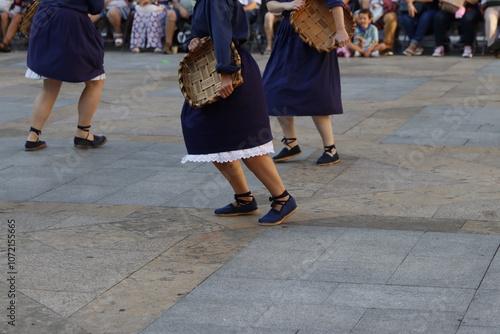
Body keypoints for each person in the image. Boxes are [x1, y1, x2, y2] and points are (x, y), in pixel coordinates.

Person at [180, 0, 297, 226]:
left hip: (231, 71)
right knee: (208, 137)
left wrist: (226, 72)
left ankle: (283, 198)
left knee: (246, 141)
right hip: (212, 70)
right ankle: (244, 198)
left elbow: (223, 31)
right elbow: (202, 32)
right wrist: (191, 41)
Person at [262, 0, 349, 166]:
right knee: (274, 88)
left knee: (316, 91)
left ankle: (330, 149)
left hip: (316, 33)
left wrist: (340, 30)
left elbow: (335, 1)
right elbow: (270, 5)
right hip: (287, 35)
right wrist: (286, 6)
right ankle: (291, 144)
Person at [24, 0, 107, 151]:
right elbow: (96, 7)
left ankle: (33, 137)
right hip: (70, 23)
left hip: (45, 17)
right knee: (95, 80)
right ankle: (83, 134)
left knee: (50, 84)